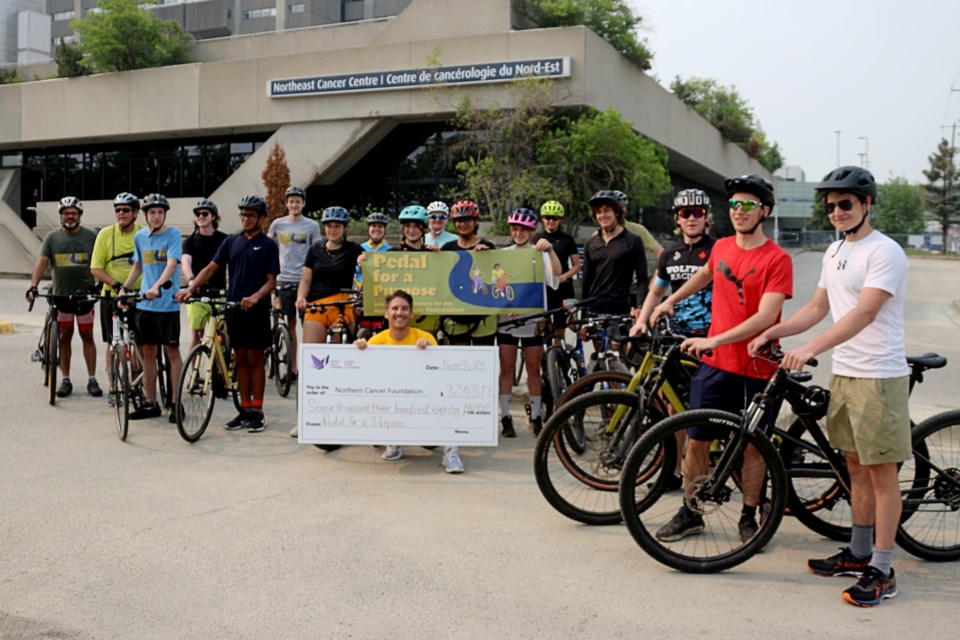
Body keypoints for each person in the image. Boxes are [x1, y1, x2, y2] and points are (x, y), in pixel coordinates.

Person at [747, 166, 906, 607]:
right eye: (831, 205)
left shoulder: (884, 251)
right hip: (846, 373)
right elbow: (819, 307)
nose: (836, 212)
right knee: (853, 466)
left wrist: (812, 347)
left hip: (878, 375)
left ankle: (883, 567)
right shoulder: (835, 250)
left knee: (881, 474)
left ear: (867, 204)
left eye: (846, 204)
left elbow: (864, 313)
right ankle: (858, 553)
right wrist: (774, 332)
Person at [650, 174, 793, 544]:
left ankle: (748, 515)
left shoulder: (778, 259)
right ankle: (691, 511)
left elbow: (765, 317)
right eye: (733, 205)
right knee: (697, 439)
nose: (739, 211)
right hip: (717, 365)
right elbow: (704, 274)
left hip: (759, 369)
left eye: (747, 205)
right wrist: (669, 300)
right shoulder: (723, 247)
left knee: (753, 445)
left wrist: (713, 338)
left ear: (764, 211)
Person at [176, 194, 279, 433]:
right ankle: (244, 409)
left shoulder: (268, 245)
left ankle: (257, 411)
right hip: (234, 308)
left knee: (255, 360)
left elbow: (272, 281)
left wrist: (255, 297)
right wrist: (190, 287)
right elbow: (211, 268)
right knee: (240, 358)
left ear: (261, 218)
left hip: (256, 310)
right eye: (242, 215)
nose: (245, 219)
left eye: (250, 215)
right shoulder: (232, 241)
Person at [354, 290, 464, 473]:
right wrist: (357, 350)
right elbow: (362, 375)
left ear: (411, 314)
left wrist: (429, 353)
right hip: (393, 398)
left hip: (423, 397)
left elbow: (439, 376)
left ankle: (451, 452)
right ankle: (394, 441)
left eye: (405, 309)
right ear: (386, 313)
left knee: (450, 394)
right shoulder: (376, 341)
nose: (400, 312)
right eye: (395, 308)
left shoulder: (425, 338)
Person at [26, 196, 102, 398]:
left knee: (87, 336)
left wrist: (101, 284)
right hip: (61, 297)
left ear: (80, 215)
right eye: (66, 213)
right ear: (61, 216)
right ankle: (65, 379)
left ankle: (92, 379)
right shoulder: (52, 238)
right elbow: (41, 264)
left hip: (84, 297)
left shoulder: (91, 237)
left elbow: (100, 262)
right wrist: (33, 287)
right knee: (64, 337)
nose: (70, 216)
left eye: (74, 213)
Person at [496, 208, 562, 437]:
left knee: (534, 370)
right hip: (507, 320)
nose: (519, 233)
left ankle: (535, 416)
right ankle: (505, 416)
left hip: (533, 320)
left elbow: (556, 278)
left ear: (532, 230)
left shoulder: (540, 252)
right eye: (515, 228)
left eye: (524, 229)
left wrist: (551, 251)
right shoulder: (503, 253)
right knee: (506, 368)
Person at [119, 194, 183, 422]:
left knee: (172, 352)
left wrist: (156, 286)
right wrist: (124, 288)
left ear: (164, 214)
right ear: (145, 215)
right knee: (148, 352)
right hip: (145, 305)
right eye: (152, 213)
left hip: (167, 304)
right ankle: (150, 402)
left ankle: (176, 403)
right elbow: (138, 266)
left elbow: (172, 265)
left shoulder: (173, 235)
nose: (156, 217)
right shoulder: (140, 236)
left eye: (160, 212)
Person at [631, 189, 715, 337]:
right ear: (677, 219)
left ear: (706, 217)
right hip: (676, 334)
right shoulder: (668, 254)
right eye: (685, 213)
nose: (691, 218)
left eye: (697, 212)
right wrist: (641, 321)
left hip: (710, 333)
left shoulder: (718, 249)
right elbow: (656, 292)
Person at [90, 192, 144, 404]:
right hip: (111, 297)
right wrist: (117, 285)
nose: (121, 213)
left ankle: (138, 385)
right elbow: (96, 267)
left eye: (126, 210)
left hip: (139, 297)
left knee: (139, 343)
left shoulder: (144, 232)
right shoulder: (105, 234)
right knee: (113, 344)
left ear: (135, 213)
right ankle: (113, 388)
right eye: (118, 210)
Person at [267, 186, 321, 380]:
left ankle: (310, 368)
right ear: (286, 203)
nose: (294, 204)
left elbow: (317, 252)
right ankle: (293, 368)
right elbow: (268, 248)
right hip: (283, 280)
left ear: (303, 203)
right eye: (291, 201)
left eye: (298, 201)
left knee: (308, 325)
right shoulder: (277, 224)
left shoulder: (312, 226)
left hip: (305, 282)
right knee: (289, 327)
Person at [581, 190, 649, 316]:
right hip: (593, 310)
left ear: (617, 212)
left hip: (620, 311)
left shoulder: (633, 241)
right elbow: (587, 281)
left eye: (607, 211)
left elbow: (642, 279)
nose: (602, 215)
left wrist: (640, 306)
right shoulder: (590, 243)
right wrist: (583, 315)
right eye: (598, 212)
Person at [439, 200, 498, 346]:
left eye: (467, 219)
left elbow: (495, 277)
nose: (462, 224)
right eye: (458, 220)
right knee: (460, 363)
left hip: (482, 314)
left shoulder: (488, 246)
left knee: (483, 363)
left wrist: (486, 256)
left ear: (475, 221)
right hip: (456, 315)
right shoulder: (447, 248)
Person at [181, 199, 228, 351]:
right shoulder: (190, 241)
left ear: (213, 217)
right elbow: (186, 261)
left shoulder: (224, 240)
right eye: (198, 214)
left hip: (219, 292)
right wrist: (191, 280)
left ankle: (222, 367)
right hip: (197, 294)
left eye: (205, 213)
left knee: (222, 332)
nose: (201, 216)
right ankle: (194, 372)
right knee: (197, 335)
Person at [534, 200, 580, 341]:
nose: (551, 221)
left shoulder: (567, 239)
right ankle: (545, 356)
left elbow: (576, 265)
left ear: (560, 220)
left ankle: (558, 351)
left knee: (560, 326)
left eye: (555, 218)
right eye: (548, 218)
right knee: (543, 325)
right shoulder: (536, 238)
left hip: (563, 287)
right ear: (543, 219)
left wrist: (564, 277)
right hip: (544, 288)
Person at [617, 190, 664, 258]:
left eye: (621, 207)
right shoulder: (598, 236)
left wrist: (662, 267)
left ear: (626, 209)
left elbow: (659, 250)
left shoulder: (637, 230)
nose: (618, 212)